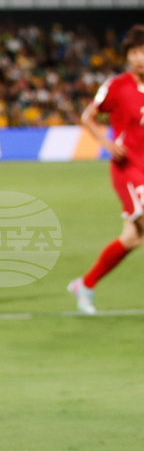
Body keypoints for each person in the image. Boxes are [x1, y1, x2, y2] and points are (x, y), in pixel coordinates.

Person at [68, 25, 144, 314]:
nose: (139, 58)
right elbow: (87, 116)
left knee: (132, 239)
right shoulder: (117, 85)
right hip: (128, 169)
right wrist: (107, 143)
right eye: (134, 53)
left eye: (143, 52)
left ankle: (85, 284)